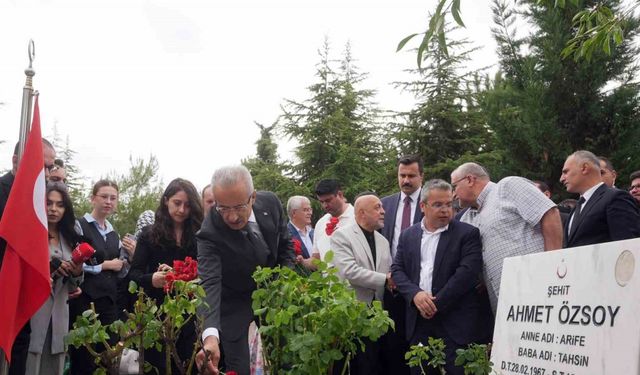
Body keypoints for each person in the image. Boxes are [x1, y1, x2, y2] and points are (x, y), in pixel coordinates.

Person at [196, 166, 295, 375]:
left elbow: (286, 248)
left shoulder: (271, 203)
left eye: (239, 207)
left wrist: (282, 284)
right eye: (223, 208)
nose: (232, 217)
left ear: (253, 197)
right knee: (239, 368)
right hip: (234, 303)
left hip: (274, 298)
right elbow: (209, 282)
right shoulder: (210, 231)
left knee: (286, 361)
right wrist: (210, 337)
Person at [392, 180, 483, 375]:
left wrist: (434, 304)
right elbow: (397, 270)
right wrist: (415, 295)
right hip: (419, 325)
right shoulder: (408, 235)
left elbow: (467, 273)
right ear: (423, 206)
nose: (445, 210)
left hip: (455, 323)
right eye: (438, 205)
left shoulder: (467, 234)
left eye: (449, 204)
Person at [451, 162, 562, 312]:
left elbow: (548, 212)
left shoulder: (507, 186)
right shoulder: (466, 218)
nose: (453, 194)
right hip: (503, 306)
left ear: (470, 180)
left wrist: (553, 261)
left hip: (537, 286)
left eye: (454, 186)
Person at [130, 178, 203, 374]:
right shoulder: (149, 235)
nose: (181, 210)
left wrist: (184, 276)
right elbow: (133, 275)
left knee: (188, 366)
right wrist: (152, 278)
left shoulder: (198, 236)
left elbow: (205, 274)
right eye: (177, 203)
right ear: (165, 201)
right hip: (157, 317)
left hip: (189, 317)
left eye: (187, 205)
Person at [0, 139, 55, 375]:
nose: (46, 173)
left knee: (18, 355)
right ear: (15, 161)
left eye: (50, 167)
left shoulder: (39, 199)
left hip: (21, 296)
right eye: (41, 164)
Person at [69, 180, 129, 375]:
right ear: (93, 198)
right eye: (104, 196)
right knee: (84, 357)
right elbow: (73, 262)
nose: (108, 202)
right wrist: (104, 266)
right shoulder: (79, 226)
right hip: (85, 299)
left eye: (113, 198)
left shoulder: (114, 233)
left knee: (108, 356)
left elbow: (121, 267)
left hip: (109, 302)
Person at [330, 193, 394, 375]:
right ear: (361, 213)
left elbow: (389, 269)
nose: (383, 211)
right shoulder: (341, 236)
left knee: (375, 365)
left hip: (378, 316)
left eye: (382, 207)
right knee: (356, 366)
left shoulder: (383, 241)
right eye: (377, 207)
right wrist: (385, 279)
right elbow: (349, 271)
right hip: (352, 317)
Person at [26, 183, 84, 375]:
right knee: (29, 363)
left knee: (55, 365)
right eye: (48, 203)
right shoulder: (30, 234)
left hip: (59, 313)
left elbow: (73, 286)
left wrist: (76, 272)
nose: (53, 209)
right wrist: (50, 269)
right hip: (32, 311)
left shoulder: (69, 237)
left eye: (59, 205)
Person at [380, 155, 424, 374]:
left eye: (411, 176)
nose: (406, 180)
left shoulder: (432, 202)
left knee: (420, 345)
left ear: (421, 176)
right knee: (394, 346)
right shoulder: (385, 204)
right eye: (402, 175)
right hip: (392, 287)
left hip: (422, 288)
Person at [560, 150, 640, 248]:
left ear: (584, 168)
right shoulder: (576, 209)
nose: (562, 178)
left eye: (565, 172)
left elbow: (628, 248)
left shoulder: (616, 198)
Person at [311, 179, 355, 262]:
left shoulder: (358, 218)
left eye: (328, 200)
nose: (325, 205)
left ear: (340, 195)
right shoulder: (320, 223)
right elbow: (316, 258)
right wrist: (302, 261)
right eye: (321, 202)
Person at [286, 195, 314, 262]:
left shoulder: (314, 232)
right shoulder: (285, 235)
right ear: (294, 213)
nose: (310, 213)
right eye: (306, 210)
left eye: (310, 209)